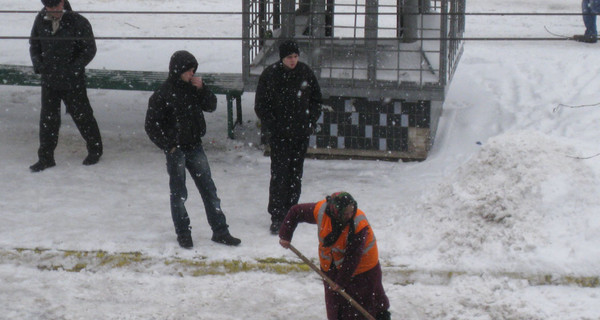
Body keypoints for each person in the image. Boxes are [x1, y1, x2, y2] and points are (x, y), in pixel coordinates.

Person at [145, 50, 241, 249]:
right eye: (189, 71)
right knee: (179, 194)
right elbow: (151, 126)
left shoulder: (193, 88)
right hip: (176, 150)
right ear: (178, 71)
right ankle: (183, 233)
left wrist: (202, 89)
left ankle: (220, 230)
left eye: (193, 71)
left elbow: (211, 105)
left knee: (209, 190)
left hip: (195, 146)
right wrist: (168, 145)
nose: (192, 74)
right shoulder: (163, 94)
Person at [278, 192, 391, 320]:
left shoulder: (358, 223)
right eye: (346, 213)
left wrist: (341, 281)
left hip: (363, 270)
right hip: (331, 267)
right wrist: (285, 235)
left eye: (351, 211)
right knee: (337, 306)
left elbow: (352, 257)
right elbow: (295, 211)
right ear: (336, 212)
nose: (350, 215)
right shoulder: (321, 211)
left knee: (366, 306)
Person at [254, 39, 322, 234]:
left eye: (295, 57)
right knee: (279, 174)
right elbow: (261, 106)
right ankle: (277, 214)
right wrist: (274, 126)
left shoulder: (305, 72)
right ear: (282, 58)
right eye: (289, 57)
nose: (293, 61)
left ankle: (292, 210)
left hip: (300, 133)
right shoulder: (271, 75)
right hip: (280, 135)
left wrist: (310, 121)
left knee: (295, 173)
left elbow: (316, 99)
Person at [29, 0, 103, 172]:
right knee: (48, 120)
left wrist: (74, 68)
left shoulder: (78, 21)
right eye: (50, 7)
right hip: (49, 79)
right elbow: (34, 44)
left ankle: (95, 149)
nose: (54, 11)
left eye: (56, 7)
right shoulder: (40, 19)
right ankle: (46, 157)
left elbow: (89, 49)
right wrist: (39, 64)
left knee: (83, 116)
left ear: (63, 3)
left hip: (72, 80)